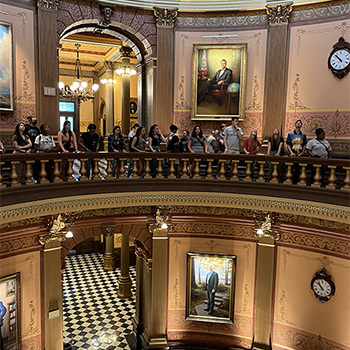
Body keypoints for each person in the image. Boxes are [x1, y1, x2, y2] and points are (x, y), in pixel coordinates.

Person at [286, 119, 307, 184]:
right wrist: (291, 153)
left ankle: (296, 180)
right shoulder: (290, 134)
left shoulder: (303, 135)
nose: (298, 124)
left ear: (301, 125)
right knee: (291, 167)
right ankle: (290, 180)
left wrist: (302, 152)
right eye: (297, 123)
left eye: (300, 123)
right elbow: (288, 144)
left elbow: (304, 144)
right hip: (292, 152)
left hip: (300, 153)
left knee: (298, 168)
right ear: (295, 125)